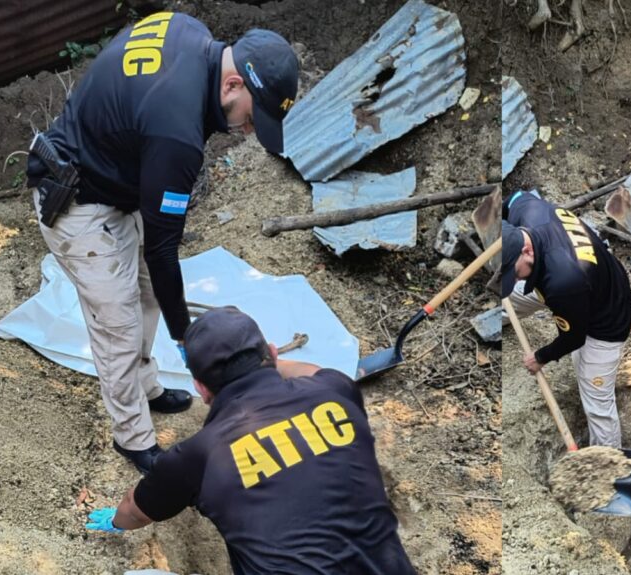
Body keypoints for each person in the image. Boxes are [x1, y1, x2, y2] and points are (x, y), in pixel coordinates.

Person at [25, 11, 299, 472]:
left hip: (115, 176)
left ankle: (147, 384)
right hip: (75, 200)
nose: (249, 131)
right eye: (253, 119)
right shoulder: (178, 133)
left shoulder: (187, 29)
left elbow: (158, 250)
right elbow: (162, 248)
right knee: (118, 322)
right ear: (232, 85)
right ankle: (131, 438)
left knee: (150, 290)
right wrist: (186, 339)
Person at [84, 307, 416, 575]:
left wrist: (116, 521)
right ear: (272, 353)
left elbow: (135, 512)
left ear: (200, 388)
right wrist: (266, 360)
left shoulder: (197, 456)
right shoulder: (336, 391)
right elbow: (312, 370)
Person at [502, 193, 631, 448]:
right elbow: (512, 199)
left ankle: (608, 466)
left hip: (606, 318)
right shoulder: (527, 209)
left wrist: (540, 357)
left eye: (513, 273)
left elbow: (574, 337)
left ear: (527, 250)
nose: (514, 279)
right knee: (507, 298)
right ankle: (501, 318)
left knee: (597, 401)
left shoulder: (564, 284)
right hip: (581, 278)